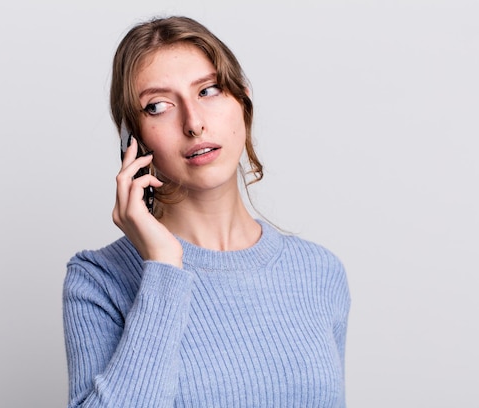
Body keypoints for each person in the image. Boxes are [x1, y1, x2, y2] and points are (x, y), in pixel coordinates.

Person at [63, 16, 350, 408]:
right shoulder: (97, 282)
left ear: (243, 103)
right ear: (134, 140)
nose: (194, 123)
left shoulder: (319, 272)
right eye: (158, 106)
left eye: (209, 90)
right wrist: (163, 267)